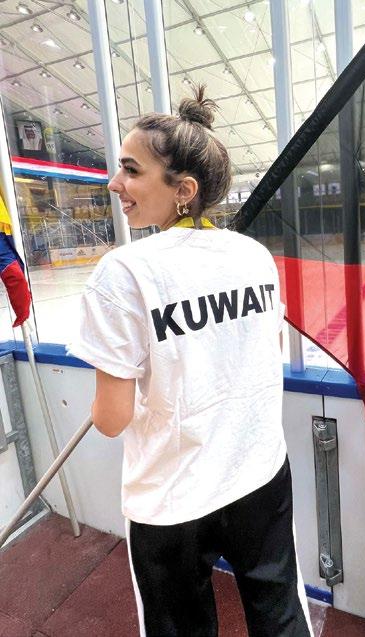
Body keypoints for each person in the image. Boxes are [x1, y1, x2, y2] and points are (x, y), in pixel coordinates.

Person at [67, 86, 313, 637]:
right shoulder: (253, 256)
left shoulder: (123, 272)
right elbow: (262, 354)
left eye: (131, 170)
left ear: (184, 190)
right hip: (259, 474)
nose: (114, 184)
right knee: (278, 614)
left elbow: (111, 420)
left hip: (173, 496)